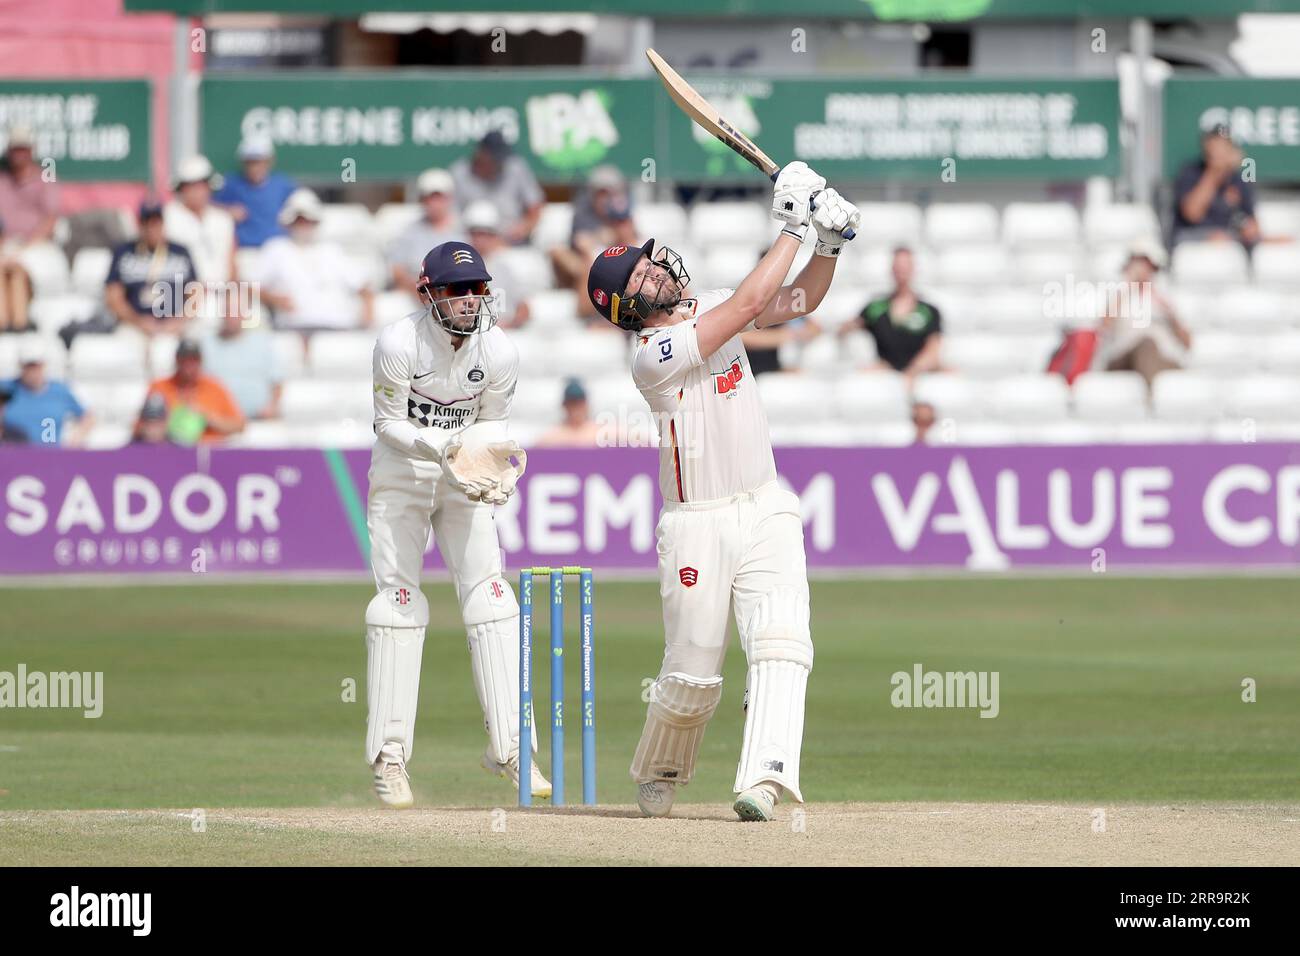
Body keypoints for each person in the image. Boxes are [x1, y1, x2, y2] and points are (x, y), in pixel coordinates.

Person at [585, 161, 859, 822]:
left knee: (783, 642)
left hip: (765, 503)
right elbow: (748, 306)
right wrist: (793, 224)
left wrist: (827, 245)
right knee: (693, 670)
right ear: (627, 309)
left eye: (651, 260)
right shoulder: (652, 355)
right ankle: (661, 768)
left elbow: (796, 303)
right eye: (642, 276)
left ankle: (765, 778)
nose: (658, 269)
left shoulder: (708, 304)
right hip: (697, 522)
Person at [365, 239, 540, 808]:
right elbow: (387, 422)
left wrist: (490, 466)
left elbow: (492, 424)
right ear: (429, 294)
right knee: (397, 604)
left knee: (492, 598)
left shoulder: (500, 350)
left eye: (477, 288)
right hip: (403, 473)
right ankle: (390, 756)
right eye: (456, 289)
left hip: (462, 474)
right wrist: (439, 448)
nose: (469, 299)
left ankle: (512, 750)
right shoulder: (398, 342)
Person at [68, 199, 199, 347]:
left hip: (173, 325)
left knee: (174, 346)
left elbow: (195, 295)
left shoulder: (180, 252)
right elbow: (113, 297)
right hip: (134, 325)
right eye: (147, 223)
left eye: (156, 223)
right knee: (126, 344)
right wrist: (138, 321)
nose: (152, 228)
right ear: (139, 225)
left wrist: (177, 322)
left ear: (163, 224)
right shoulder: (124, 252)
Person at [255, 189, 374, 333]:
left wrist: (368, 309)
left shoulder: (332, 251)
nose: (304, 225)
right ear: (289, 222)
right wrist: (274, 299)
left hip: (338, 326)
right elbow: (249, 286)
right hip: (295, 327)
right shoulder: (276, 248)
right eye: (299, 220)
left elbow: (363, 284)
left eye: (308, 220)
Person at [1093, 240, 1190, 388]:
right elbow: (1102, 328)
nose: (1142, 268)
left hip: (1162, 358)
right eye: (1137, 262)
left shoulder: (1166, 295)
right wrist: (1128, 287)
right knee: (1146, 346)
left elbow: (1187, 342)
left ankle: (1152, 392)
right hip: (1123, 358)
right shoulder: (1115, 292)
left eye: (1146, 263)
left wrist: (1166, 310)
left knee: (1149, 349)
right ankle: (1153, 396)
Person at [838, 246, 942, 381]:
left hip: (919, 377)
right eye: (898, 266)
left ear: (913, 269)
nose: (902, 270)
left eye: (905, 265)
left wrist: (912, 372)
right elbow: (848, 328)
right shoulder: (875, 308)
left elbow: (933, 350)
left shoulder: (928, 311)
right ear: (892, 269)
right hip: (884, 376)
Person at [551, 164, 637, 317]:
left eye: (609, 193)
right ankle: (588, 315)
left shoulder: (622, 212)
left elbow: (629, 240)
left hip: (615, 264)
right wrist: (605, 236)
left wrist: (610, 235)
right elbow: (582, 243)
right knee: (584, 262)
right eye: (601, 193)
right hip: (588, 264)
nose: (605, 199)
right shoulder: (583, 211)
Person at [0, 126, 60, 333]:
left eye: (23, 149)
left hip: (37, 247)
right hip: (6, 246)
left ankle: (19, 325)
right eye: (15, 149)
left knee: (18, 271)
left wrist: (24, 247)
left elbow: (51, 220)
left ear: (32, 150)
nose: (19, 154)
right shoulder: (2, 180)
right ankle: (4, 326)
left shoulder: (46, 176)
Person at [142, 339, 244, 445]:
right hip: (170, 449)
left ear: (201, 361)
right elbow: (140, 426)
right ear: (176, 360)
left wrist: (208, 417)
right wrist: (169, 423)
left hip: (211, 449)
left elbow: (239, 425)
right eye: (184, 360)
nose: (188, 365)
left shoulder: (215, 387)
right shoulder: (159, 387)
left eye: (193, 360)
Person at [1172, 124, 1259, 249]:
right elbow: (1192, 214)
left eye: (1223, 146)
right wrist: (1214, 172)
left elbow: (1251, 223)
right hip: (1192, 239)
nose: (1218, 152)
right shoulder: (1191, 172)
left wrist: (1247, 229)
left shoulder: (1239, 180)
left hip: (1230, 240)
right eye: (1214, 146)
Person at [450, 131, 543, 245]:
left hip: (511, 243)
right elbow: (451, 217)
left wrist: (523, 228)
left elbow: (534, 206)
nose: (499, 161)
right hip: (471, 242)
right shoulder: (459, 173)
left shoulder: (515, 167)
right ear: (481, 153)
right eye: (494, 157)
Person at [164, 155, 238, 291]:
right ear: (181, 188)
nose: (196, 191)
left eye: (201, 185)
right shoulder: (167, 216)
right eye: (190, 186)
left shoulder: (223, 219)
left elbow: (231, 261)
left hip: (220, 293)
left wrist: (231, 294)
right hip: (180, 294)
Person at [388, 168, 464, 297]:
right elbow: (397, 271)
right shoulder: (409, 232)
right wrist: (423, 293)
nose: (434, 204)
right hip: (416, 296)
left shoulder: (464, 229)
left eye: (439, 198)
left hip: (456, 295)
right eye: (429, 198)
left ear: (450, 198)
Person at [2, 337, 92, 446]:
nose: (33, 371)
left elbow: (87, 416)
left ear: (44, 365)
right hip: (14, 454)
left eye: (37, 365)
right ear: (21, 366)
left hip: (50, 454)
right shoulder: (7, 388)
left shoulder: (60, 391)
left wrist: (77, 437)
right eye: (29, 366)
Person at [213, 134, 297, 249]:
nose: (255, 168)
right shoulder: (232, 184)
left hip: (277, 248)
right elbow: (207, 205)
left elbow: (302, 208)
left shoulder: (282, 185)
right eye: (250, 162)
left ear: (270, 162)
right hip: (244, 250)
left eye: (259, 162)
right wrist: (227, 211)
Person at [199, 308, 283, 420]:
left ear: (244, 315)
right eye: (228, 312)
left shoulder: (262, 343)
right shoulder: (206, 344)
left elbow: (277, 381)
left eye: (235, 312)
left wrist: (272, 407)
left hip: (257, 418)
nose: (231, 317)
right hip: (218, 420)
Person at [463, 200, 529, 328]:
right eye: (476, 233)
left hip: (506, 332)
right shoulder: (458, 269)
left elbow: (524, 308)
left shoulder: (507, 266)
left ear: (494, 235)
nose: (480, 239)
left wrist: (507, 327)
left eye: (486, 233)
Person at [537, 379, 602, 447]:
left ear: (586, 405)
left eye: (580, 403)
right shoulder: (551, 438)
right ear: (564, 405)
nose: (576, 408)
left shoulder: (601, 434)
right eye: (572, 404)